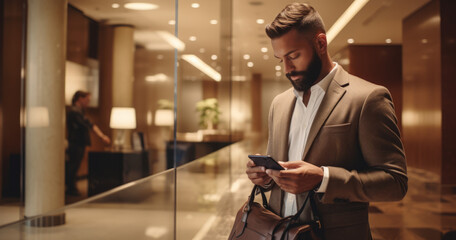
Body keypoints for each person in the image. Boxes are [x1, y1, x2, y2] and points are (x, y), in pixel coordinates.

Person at [245, 3, 407, 239]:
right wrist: (264, 176)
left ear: (321, 43)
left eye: (294, 56)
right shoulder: (279, 104)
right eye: (281, 60)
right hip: (278, 232)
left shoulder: (368, 98)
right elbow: (277, 173)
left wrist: (323, 178)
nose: (287, 69)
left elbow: (395, 182)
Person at [66, 90, 110, 196]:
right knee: (73, 165)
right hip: (75, 143)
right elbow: (89, 125)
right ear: (80, 99)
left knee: (75, 165)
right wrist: (102, 136)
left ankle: (71, 187)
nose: (88, 103)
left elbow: (90, 124)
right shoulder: (74, 112)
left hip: (79, 143)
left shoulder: (79, 112)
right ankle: (70, 187)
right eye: (87, 100)